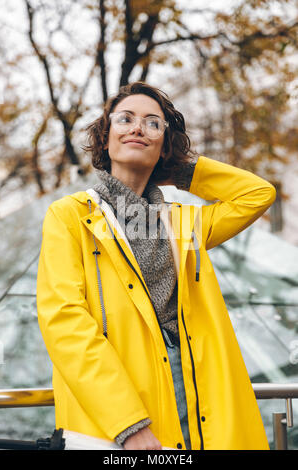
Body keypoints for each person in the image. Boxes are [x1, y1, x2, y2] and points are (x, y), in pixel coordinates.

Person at [37, 81, 276, 451]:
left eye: (152, 124)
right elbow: (65, 322)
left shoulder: (184, 224)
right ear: (105, 139)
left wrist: (181, 172)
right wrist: (128, 424)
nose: (137, 128)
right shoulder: (70, 216)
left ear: (164, 144)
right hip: (124, 408)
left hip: (198, 397)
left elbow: (257, 194)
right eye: (125, 119)